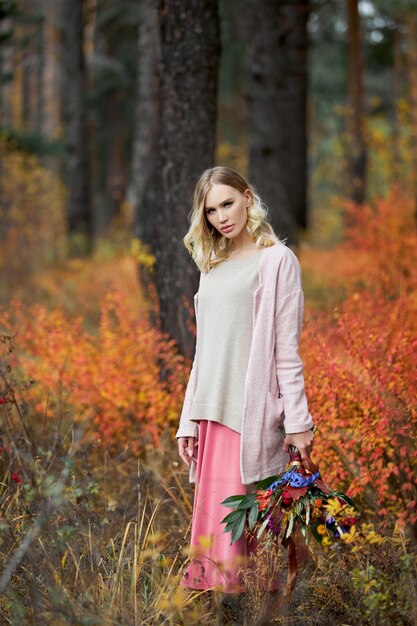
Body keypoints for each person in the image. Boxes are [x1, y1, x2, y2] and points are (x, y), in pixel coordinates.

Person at [176, 166, 315, 599]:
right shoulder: (211, 266)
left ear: (248, 197)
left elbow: (286, 351)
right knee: (216, 532)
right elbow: (204, 353)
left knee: (246, 529)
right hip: (211, 414)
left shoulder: (276, 261)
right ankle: (219, 608)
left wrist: (299, 421)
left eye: (227, 203)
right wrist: (187, 420)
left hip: (249, 415)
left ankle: (256, 606)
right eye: (212, 210)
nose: (221, 217)